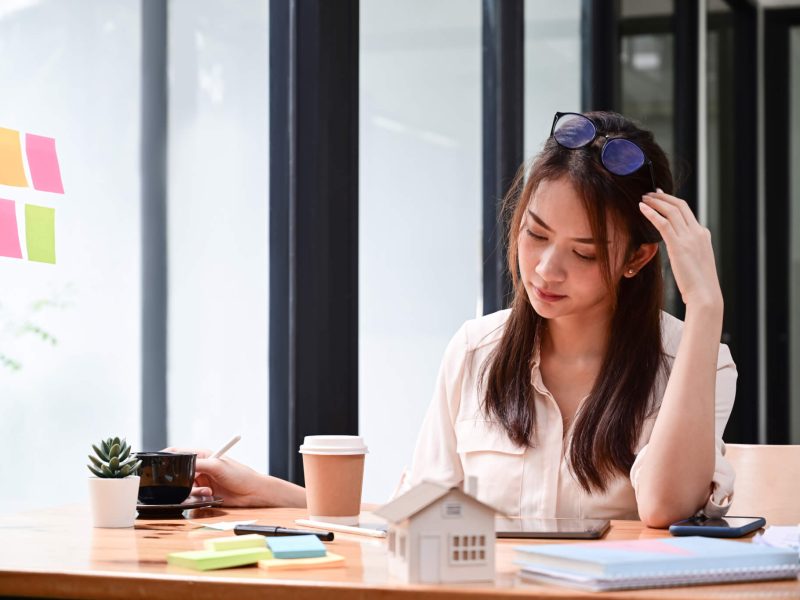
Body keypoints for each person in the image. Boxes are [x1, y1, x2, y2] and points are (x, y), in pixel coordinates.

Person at [170, 111, 736, 528]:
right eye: (534, 233)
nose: (545, 268)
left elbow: (665, 507)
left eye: (583, 253)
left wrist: (705, 305)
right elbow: (419, 514)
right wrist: (265, 492)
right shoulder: (476, 350)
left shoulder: (690, 361)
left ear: (637, 258)